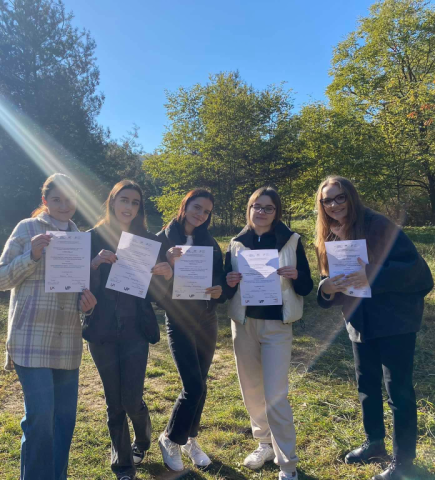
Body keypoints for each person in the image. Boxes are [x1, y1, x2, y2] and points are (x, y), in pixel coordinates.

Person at [314, 176, 433, 480]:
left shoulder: (379, 225)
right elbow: (336, 283)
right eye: (327, 200)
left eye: (340, 198)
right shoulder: (330, 234)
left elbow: (419, 274)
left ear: (351, 197)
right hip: (359, 321)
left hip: (395, 321)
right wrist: (325, 289)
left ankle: (405, 463)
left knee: (399, 392)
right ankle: (374, 444)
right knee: (367, 386)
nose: (334, 205)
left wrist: (371, 276)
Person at [0, 173, 97, 480]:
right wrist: (33, 254)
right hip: (31, 340)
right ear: (45, 201)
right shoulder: (27, 229)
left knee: (64, 420)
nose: (64, 205)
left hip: (66, 343)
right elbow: (1, 279)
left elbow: (75, 289)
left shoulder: (79, 236)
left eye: (69, 199)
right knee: (40, 417)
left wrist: (85, 303)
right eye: (56, 199)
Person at [82, 179, 172, 480]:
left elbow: (159, 295)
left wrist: (165, 274)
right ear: (112, 201)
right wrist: (93, 265)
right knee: (113, 401)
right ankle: (123, 465)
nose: (129, 207)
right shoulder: (91, 238)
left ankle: (144, 437)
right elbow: (73, 284)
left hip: (135, 329)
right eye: (124, 200)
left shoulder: (147, 240)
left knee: (132, 398)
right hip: (101, 330)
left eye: (135, 202)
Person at [223, 186, 313, 480]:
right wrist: (230, 281)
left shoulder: (291, 241)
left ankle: (287, 464)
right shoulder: (236, 243)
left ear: (277, 212)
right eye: (256, 206)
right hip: (244, 325)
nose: (261, 212)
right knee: (251, 391)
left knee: (276, 394)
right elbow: (225, 290)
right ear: (248, 209)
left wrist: (296, 276)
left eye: (268, 207)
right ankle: (264, 444)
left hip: (277, 327)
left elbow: (307, 287)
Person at [155, 189, 225, 471]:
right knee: (192, 386)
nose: (201, 214)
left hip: (207, 319)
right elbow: (151, 290)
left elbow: (220, 277)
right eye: (197, 207)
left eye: (206, 211)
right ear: (185, 205)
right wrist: (169, 268)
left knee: (202, 384)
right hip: (179, 319)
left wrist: (220, 290)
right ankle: (170, 438)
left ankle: (190, 440)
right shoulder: (162, 239)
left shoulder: (209, 242)